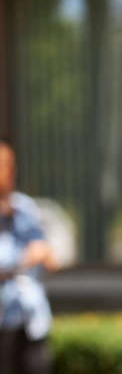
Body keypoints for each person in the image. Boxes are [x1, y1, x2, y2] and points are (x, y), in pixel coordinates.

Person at [0, 137, 59, 374]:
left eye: (8, 164)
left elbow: (49, 257)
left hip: (29, 316)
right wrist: (25, 257)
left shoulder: (24, 208)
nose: (5, 171)